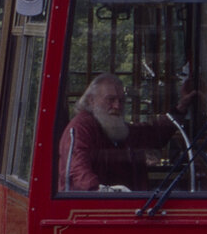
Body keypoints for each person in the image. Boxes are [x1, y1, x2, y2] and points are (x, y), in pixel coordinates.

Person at [58, 72, 199, 191]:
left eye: (121, 100)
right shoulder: (80, 128)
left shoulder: (113, 127)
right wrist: (100, 192)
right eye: (111, 99)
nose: (117, 105)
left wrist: (181, 108)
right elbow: (77, 170)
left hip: (125, 208)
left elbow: (151, 134)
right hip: (93, 213)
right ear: (91, 101)